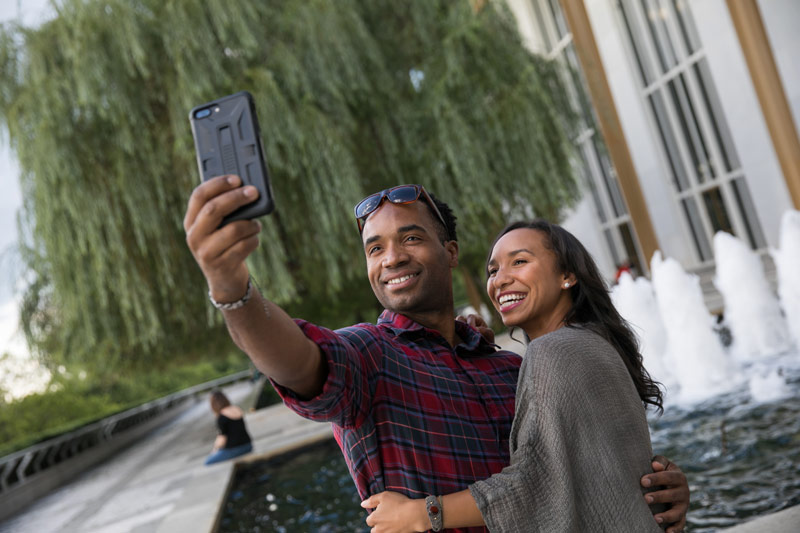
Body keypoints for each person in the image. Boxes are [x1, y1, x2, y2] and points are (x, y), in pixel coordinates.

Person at [183, 178, 689, 532]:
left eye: (410, 238)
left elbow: (567, 473)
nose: (392, 258)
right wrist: (232, 287)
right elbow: (296, 361)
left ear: (449, 252)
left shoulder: (513, 367)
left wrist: (655, 492)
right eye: (374, 248)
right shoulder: (370, 357)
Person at [362, 220, 671, 531]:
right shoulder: (594, 343)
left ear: (567, 275)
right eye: (493, 271)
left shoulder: (553, 351)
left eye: (519, 262)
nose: (500, 280)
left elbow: (539, 482)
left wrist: (423, 513)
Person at [204, 390, 253, 465]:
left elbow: (222, 438)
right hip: (248, 445)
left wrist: (215, 450)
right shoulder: (237, 408)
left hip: (235, 448)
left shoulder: (221, 417)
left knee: (208, 461)